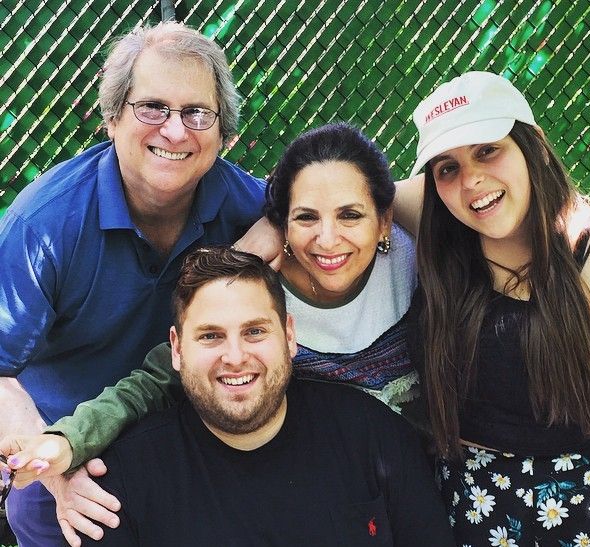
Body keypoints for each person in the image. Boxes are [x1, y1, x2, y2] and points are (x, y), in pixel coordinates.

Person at [1, 123, 424, 538]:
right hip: (312, 479)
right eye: (306, 217)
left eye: (350, 215)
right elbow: (155, 380)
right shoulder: (257, 288)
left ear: (383, 220)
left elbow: (459, 192)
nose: (328, 239)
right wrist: (70, 441)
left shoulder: (416, 261)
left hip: (415, 464)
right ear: (282, 223)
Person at [0, 21, 273, 546]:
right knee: (47, 513)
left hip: (194, 427)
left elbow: (341, 205)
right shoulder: (44, 224)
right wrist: (57, 469)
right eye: (152, 108)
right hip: (73, 441)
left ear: (225, 134)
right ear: (111, 118)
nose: (175, 131)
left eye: (198, 113)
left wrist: (273, 231)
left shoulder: (247, 204)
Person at [18, 246, 457, 546]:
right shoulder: (123, 483)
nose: (235, 356)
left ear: (289, 336)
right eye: (210, 336)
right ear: (176, 348)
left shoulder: (372, 437)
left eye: (254, 331)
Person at [409, 71, 590, 545]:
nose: (472, 180)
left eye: (487, 149)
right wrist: (271, 228)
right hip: (464, 516)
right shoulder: (439, 220)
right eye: (447, 167)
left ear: (531, 143)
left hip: (585, 519)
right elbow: (336, 198)